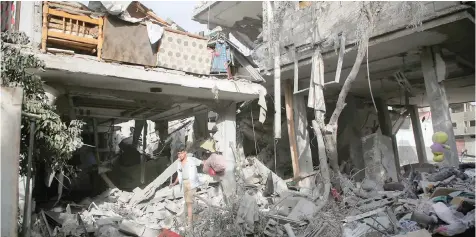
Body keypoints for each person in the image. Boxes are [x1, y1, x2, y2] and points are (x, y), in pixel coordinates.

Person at [169, 144, 203, 226]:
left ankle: (190, 224)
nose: (179, 155)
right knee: (189, 203)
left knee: (189, 203)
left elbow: (202, 163)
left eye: (181, 153)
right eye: (178, 153)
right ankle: (194, 218)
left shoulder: (192, 160)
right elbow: (179, 175)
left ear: (185, 153)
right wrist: (174, 183)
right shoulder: (179, 163)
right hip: (184, 184)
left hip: (192, 184)